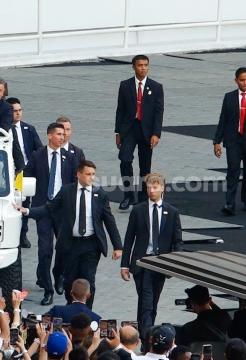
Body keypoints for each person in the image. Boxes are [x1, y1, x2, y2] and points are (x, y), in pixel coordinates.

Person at [17, 160, 122, 308]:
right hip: (70, 244)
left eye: (93, 174)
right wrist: (27, 211)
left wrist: (118, 246)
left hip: (91, 245)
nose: (91, 177)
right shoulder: (67, 191)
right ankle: (71, 307)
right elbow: (49, 208)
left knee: (88, 280)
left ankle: (86, 311)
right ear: (79, 174)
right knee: (70, 280)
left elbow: (109, 220)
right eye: (88, 174)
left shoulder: (100, 195)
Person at [121, 172, 183, 337]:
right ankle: (146, 336)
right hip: (141, 262)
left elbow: (177, 241)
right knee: (146, 300)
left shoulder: (172, 212)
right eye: (149, 187)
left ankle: (145, 332)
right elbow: (129, 238)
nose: (151, 190)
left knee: (152, 301)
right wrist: (124, 264)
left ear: (162, 188)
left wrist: (177, 262)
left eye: (155, 187)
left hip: (161, 262)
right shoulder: (138, 210)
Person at [25, 122, 78, 306]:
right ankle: (48, 290)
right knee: (45, 250)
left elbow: (73, 184)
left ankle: (59, 275)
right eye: (59, 134)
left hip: (62, 210)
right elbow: (26, 176)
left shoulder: (69, 157)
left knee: (63, 248)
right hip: (43, 209)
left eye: (64, 134)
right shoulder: (37, 155)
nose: (62, 137)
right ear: (49, 136)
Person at [115, 55, 164, 210]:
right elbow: (120, 109)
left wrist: (156, 133)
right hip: (129, 128)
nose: (143, 68)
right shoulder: (125, 85)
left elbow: (158, 112)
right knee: (125, 159)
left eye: (145, 65)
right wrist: (118, 132)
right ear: (133, 67)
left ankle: (143, 198)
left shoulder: (156, 87)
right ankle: (128, 195)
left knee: (145, 166)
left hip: (147, 131)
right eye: (140, 65)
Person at [7, 97, 43, 249]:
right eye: (14, 111)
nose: (18, 114)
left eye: (20, 110)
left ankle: (23, 234)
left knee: (25, 203)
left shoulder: (29, 129)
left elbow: (39, 149)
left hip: (25, 172)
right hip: (9, 171)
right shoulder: (4, 129)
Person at [213, 67, 246, 215]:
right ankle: (229, 203)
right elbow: (223, 120)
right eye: (242, 80)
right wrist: (217, 141)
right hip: (233, 140)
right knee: (232, 171)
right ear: (236, 81)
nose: (245, 83)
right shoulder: (229, 97)